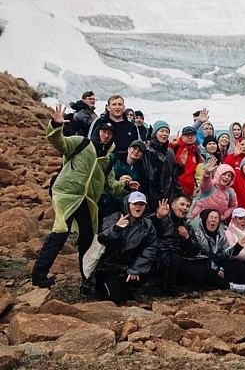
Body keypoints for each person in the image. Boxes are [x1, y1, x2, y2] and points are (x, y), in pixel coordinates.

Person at [33, 106, 131, 288]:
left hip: (86, 201)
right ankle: (39, 275)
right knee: (60, 234)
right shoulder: (81, 144)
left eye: (110, 133)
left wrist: (125, 186)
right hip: (67, 195)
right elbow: (58, 141)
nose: (106, 135)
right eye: (103, 131)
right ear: (97, 131)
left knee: (87, 238)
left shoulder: (107, 160)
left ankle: (86, 278)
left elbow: (112, 186)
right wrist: (55, 124)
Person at [94, 192, 159, 303]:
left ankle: (129, 287)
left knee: (146, 272)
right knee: (113, 298)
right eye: (135, 204)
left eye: (141, 204)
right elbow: (103, 240)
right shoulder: (113, 218)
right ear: (127, 204)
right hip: (109, 267)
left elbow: (150, 249)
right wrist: (116, 228)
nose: (138, 207)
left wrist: (136, 269)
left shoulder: (147, 224)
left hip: (131, 265)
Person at [151, 195, 200, 295]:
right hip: (159, 256)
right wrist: (158, 217)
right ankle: (165, 289)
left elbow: (195, 251)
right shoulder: (162, 218)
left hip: (179, 258)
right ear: (173, 205)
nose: (185, 208)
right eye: (182, 204)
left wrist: (187, 238)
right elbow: (148, 231)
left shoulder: (187, 226)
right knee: (173, 258)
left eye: (187, 206)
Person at [188, 159, 238, 223]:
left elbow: (233, 206)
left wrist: (223, 216)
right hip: (198, 220)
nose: (226, 177)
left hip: (214, 224)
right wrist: (207, 173)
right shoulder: (211, 185)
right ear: (219, 174)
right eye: (224, 174)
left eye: (229, 176)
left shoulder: (231, 192)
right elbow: (205, 181)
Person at [144, 121, 179, 207]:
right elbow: (151, 179)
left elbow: (173, 175)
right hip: (156, 198)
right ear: (155, 133)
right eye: (162, 131)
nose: (165, 134)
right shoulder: (149, 152)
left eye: (167, 132)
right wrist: (155, 202)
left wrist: (181, 165)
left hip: (170, 195)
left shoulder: (169, 152)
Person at [175, 126, 202, 198]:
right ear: (182, 137)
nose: (190, 137)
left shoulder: (196, 152)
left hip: (192, 190)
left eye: (192, 135)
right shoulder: (176, 148)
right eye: (187, 135)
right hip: (179, 189)